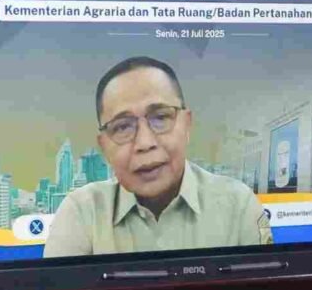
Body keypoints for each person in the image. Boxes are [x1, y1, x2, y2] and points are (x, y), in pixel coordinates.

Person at [43, 56, 273, 257]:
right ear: (104, 146)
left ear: (187, 124)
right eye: (122, 127)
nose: (145, 143)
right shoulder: (81, 212)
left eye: (161, 117)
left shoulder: (238, 205)